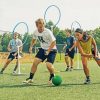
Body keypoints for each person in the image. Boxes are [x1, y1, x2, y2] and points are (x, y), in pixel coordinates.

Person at [23, 18, 57, 84]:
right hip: (43, 49)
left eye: (43, 26)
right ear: (37, 26)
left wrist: (48, 51)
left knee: (48, 65)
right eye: (40, 27)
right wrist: (31, 47)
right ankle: (30, 78)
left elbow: (54, 42)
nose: (41, 28)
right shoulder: (35, 32)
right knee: (35, 62)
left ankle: (52, 76)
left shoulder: (48, 32)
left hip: (52, 50)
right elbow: (33, 40)